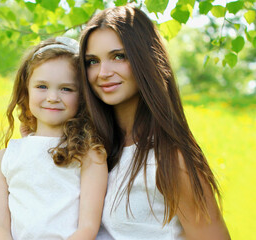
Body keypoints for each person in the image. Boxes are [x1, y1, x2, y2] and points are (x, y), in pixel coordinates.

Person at [78, 5, 230, 240]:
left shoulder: (171, 160)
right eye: (92, 61)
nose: (103, 72)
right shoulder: (95, 150)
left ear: (145, 59)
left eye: (119, 56)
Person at [0, 37, 108, 240]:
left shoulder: (90, 155)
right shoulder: (3, 160)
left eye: (66, 89)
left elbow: (87, 228)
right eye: (42, 86)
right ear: (25, 91)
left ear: (82, 97)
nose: (52, 97)